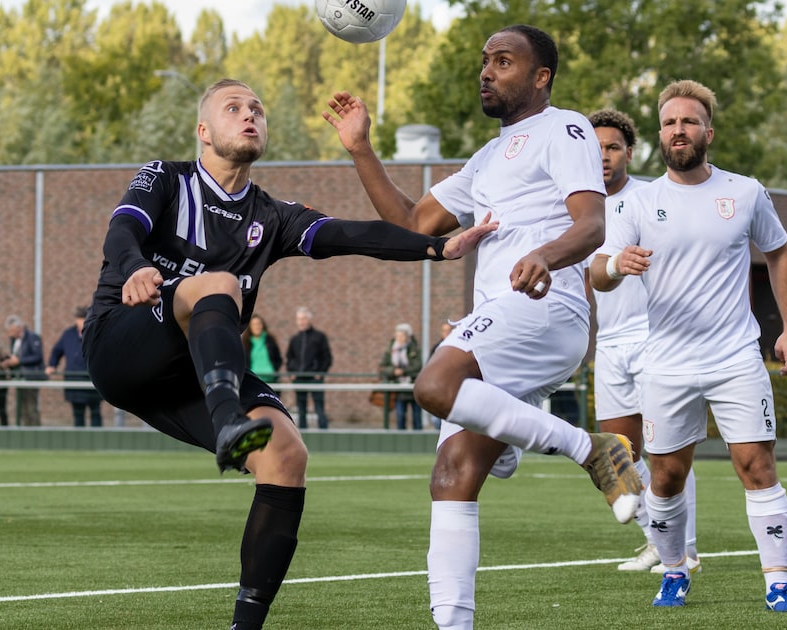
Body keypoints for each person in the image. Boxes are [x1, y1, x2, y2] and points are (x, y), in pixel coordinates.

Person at [81, 77, 495, 630]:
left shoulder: (270, 215)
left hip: (192, 374)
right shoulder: (168, 177)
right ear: (204, 132)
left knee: (286, 455)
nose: (249, 114)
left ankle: (245, 626)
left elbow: (348, 233)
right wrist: (134, 268)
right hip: (120, 344)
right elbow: (121, 231)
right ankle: (230, 421)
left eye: (257, 108)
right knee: (220, 286)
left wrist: (437, 246)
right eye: (234, 108)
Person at [324, 25, 643, 629]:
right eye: (484, 61)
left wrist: (546, 255)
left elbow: (593, 224)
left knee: (435, 384)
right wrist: (361, 149)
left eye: (503, 61)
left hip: (546, 307)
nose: (486, 71)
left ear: (540, 77)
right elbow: (415, 222)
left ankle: (590, 449)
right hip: (499, 321)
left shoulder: (566, 127)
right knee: (450, 477)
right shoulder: (487, 157)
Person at [590, 80, 787, 611]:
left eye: (688, 121)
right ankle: (673, 571)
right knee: (666, 475)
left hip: (736, 357)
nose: (678, 130)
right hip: (665, 360)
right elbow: (599, 273)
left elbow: (778, 253)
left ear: (707, 132)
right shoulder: (638, 203)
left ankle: (778, 582)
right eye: (669, 123)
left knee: (756, 464)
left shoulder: (746, 191)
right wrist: (619, 264)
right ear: (661, 136)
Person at [586, 109, 700, 574]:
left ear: (630, 153)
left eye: (612, 148)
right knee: (618, 455)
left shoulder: (654, 198)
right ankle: (659, 541)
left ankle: (684, 550)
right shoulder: (578, 207)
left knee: (666, 451)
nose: (604, 157)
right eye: (594, 150)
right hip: (609, 344)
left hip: (658, 339)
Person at [47, 305, 102, 427]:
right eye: (80, 319)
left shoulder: (96, 332)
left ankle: (98, 441)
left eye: (84, 318)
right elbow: (57, 350)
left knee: (95, 412)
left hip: (93, 381)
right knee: (78, 413)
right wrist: (52, 365)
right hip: (74, 381)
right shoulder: (68, 334)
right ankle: (81, 441)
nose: (82, 322)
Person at [285, 307, 333, 429]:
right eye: (299, 319)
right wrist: (291, 372)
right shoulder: (295, 339)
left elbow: (327, 357)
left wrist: (320, 372)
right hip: (299, 378)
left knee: (319, 407)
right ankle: (302, 432)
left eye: (304, 318)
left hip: (315, 378)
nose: (301, 322)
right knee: (301, 408)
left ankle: (324, 432)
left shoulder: (319, 337)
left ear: (309, 320)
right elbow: (289, 357)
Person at [379, 322, 422, 430]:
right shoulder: (391, 350)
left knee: (417, 417)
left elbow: (417, 366)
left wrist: (403, 371)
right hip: (398, 388)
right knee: (400, 415)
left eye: (402, 336)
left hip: (412, 387)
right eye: (397, 335)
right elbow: (383, 367)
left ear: (407, 336)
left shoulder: (414, 349)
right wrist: (394, 371)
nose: (399, 338)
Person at [3, 315, 44, 426]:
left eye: (12, 330)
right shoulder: (13, 340)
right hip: (19, 378)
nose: (10, 334)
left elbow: (37, 356)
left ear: (19, 328)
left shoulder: (33, 337)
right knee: (22, 409)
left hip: (30, 377)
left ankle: (35, 432)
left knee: (31, 408)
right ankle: (25, 430)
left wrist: (19, 361)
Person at [242, 314, 283, 383]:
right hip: (254, 380)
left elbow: (278, 358)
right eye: (254, 325)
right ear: (250, 327)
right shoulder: (246, 343)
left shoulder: (270, 340)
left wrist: (274, 370)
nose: (257, 327)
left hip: (271, 379)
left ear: (262, 325)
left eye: (258, 324)